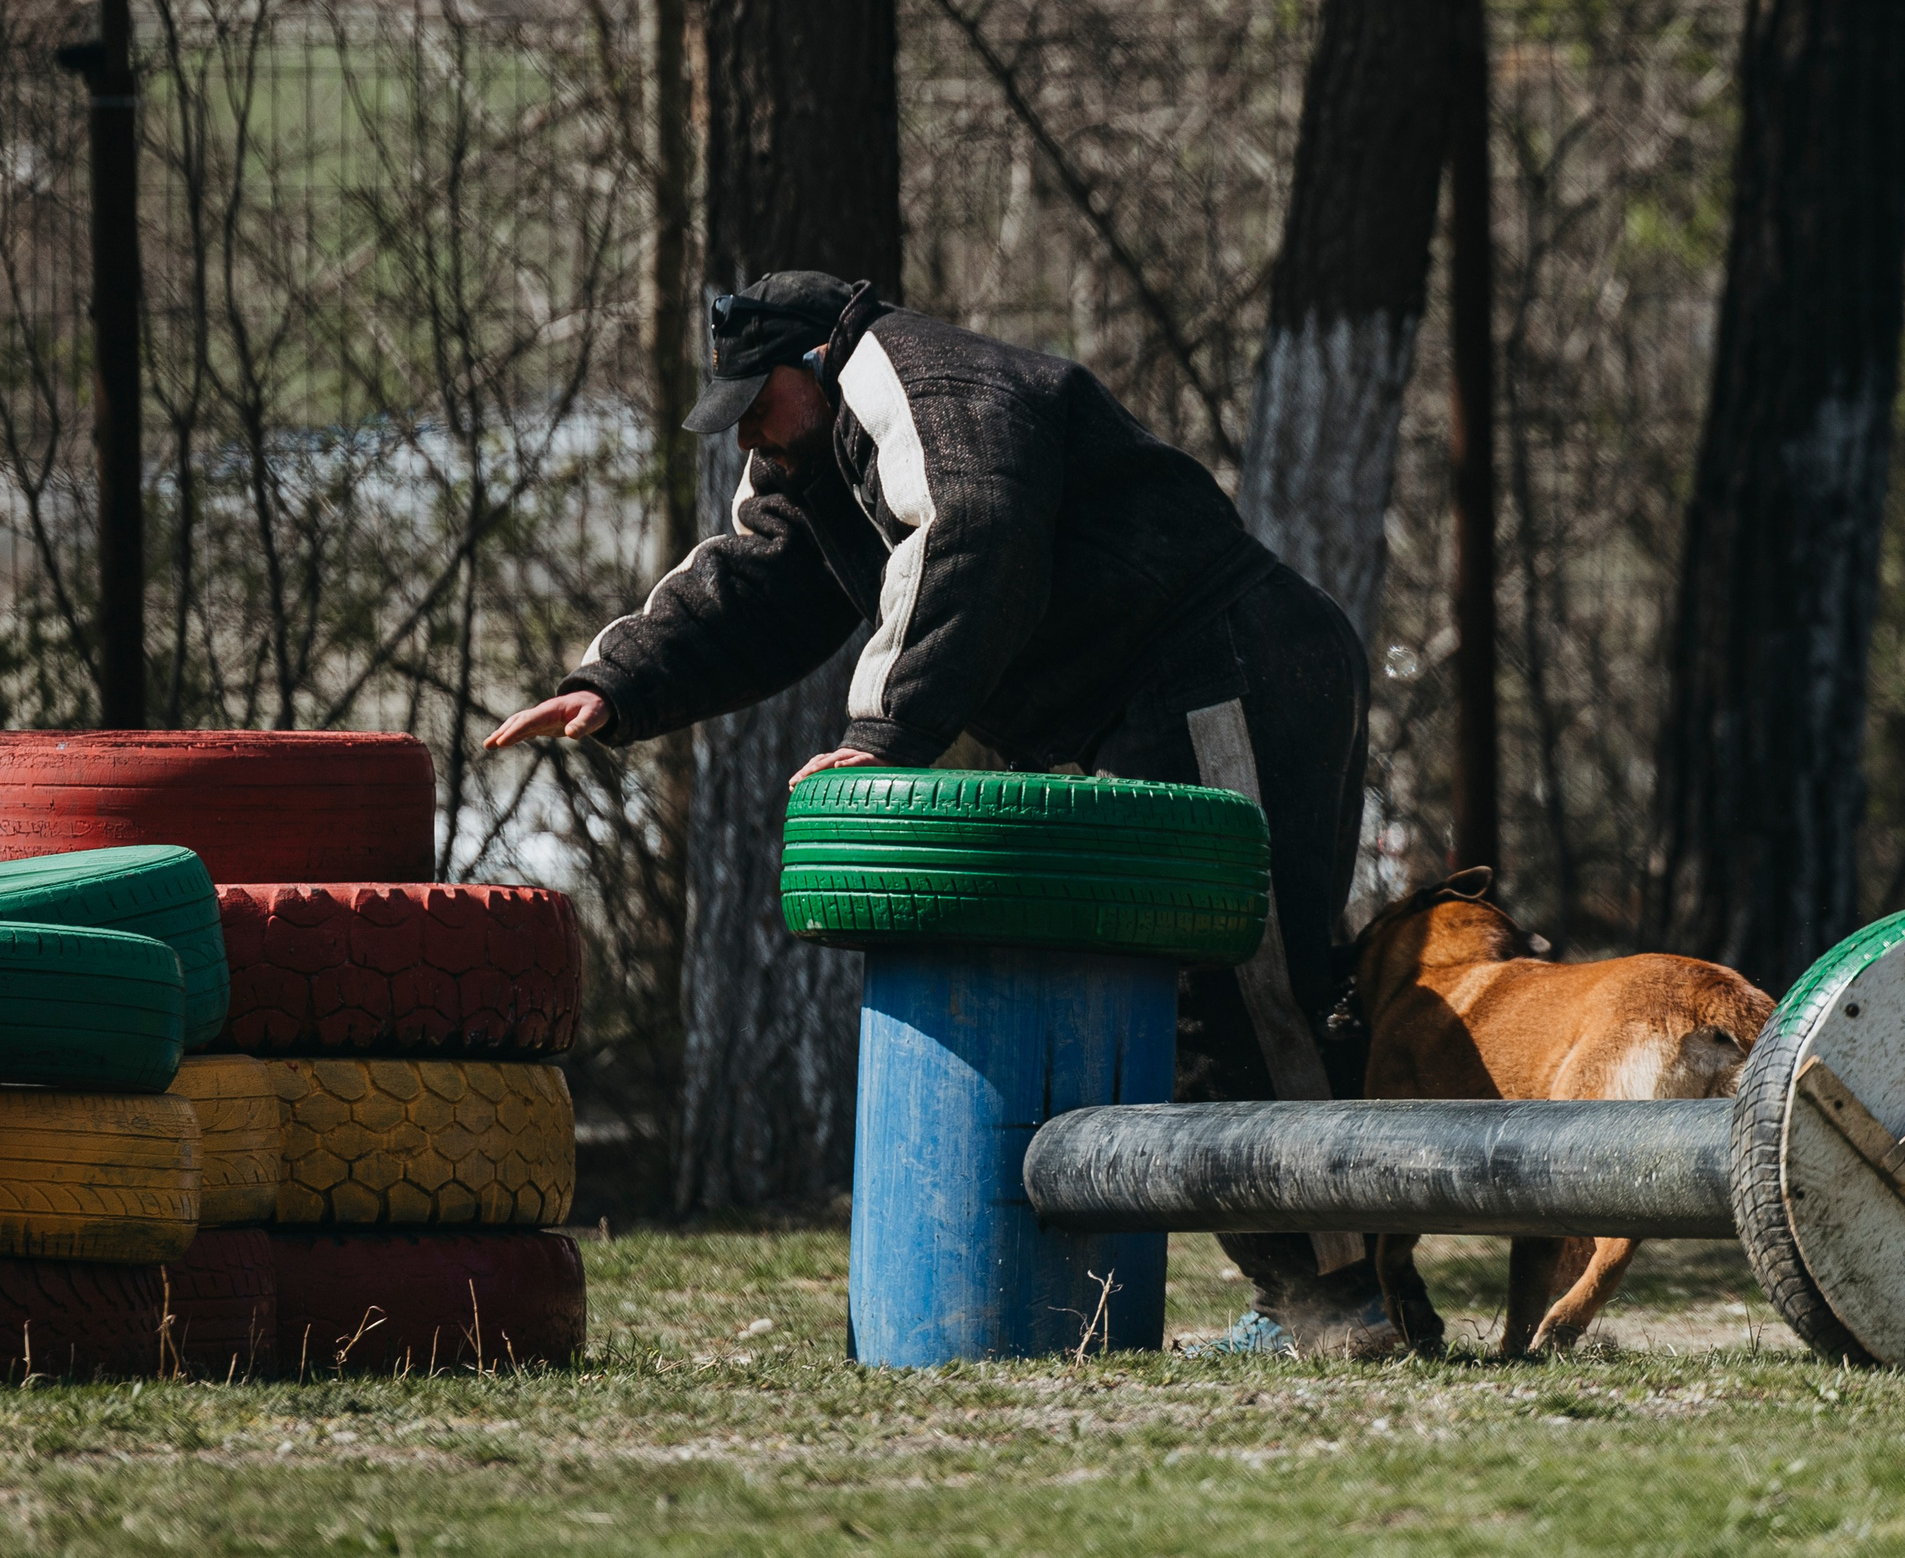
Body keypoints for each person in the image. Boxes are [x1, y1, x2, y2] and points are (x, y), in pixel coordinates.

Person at [485, 271, 1405, 1354]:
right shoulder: (819, 448)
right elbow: (765, 577)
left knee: (1252, 984)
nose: (752, 441)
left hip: (1227, 660)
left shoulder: (929, 385)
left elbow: (978, 528)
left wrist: (883, 734)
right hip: (1140, 694)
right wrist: (623, 681)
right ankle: (1311, 1294)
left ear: (819, 363)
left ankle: (1341, 1304)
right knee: (1205, 998)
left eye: (757, 405)